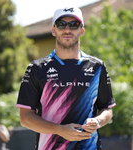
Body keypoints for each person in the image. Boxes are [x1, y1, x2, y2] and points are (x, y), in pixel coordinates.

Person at [16, 6, 116, 150]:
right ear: (53, 30)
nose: (67, 29)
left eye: (74, 24)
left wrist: (98, 121)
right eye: (61, 24)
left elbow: (106, 108)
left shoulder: (97, 67)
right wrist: (60, 130)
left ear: (81, 30)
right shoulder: (36, 68)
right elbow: (25, 118)